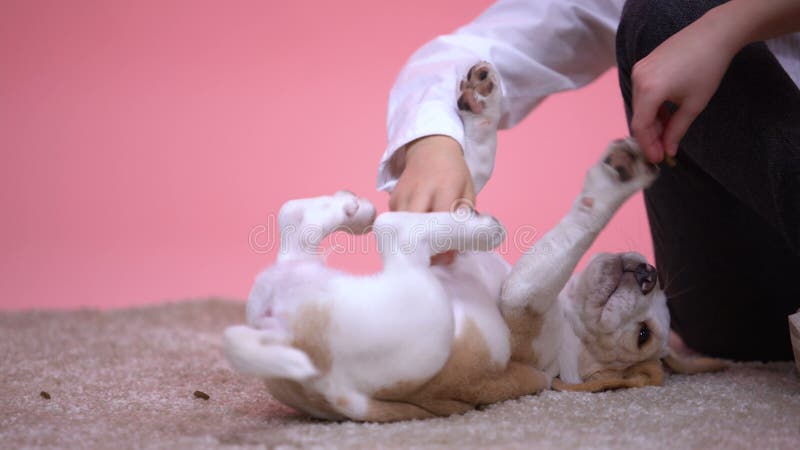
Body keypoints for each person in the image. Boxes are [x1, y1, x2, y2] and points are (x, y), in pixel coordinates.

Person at [376, 0, 800, 361]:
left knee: (675, 14)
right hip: (754, 308)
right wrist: (434, 140)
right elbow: (485, 48)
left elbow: (520, 298)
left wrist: (731, 25)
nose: (648, 281)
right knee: (664, 15)